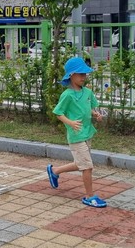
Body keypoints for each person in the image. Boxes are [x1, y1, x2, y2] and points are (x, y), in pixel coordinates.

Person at [46, 57, 107, 208]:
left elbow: (89, 108)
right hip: (76, 135)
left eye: (85, 74)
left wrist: (95, 114)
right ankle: (90, 196)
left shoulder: (87, 92)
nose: (83, 77)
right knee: (87, 166)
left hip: (87, 133)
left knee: (81, 163)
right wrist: (70, 123)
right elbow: (58, 113)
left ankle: (54, 171)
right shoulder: (67, 95)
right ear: (71, 75)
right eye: (80, 74)